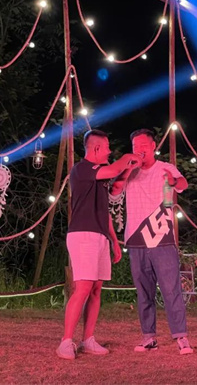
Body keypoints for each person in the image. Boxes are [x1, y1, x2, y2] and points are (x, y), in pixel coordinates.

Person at [56, 129, 142, 360]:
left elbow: (108, 205)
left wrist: (114, 240)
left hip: (100, 235)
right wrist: (128, 157)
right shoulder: (82, 169)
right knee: (83, 287)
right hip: (83, 234)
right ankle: (66, 341)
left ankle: (88, 339)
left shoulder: (100, 175)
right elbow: (114, 170)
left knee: (96, 289)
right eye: (106, 147)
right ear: (95, 148)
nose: (109, 151)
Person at [110, 128, 193, 355]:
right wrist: (128, 169)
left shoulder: (165, 167)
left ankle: (181, 337)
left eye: (143, 146)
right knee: (143, 291)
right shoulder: (129, 171)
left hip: (162, 236)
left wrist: (173, 181)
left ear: (154, 146)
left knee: (171, 289)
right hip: (135, 238)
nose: (139, 150)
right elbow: (114, 193)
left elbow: (183, 184)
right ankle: (149, 337)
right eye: (135, 147)